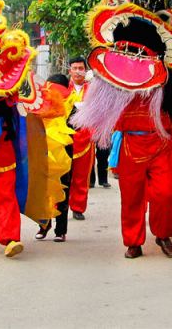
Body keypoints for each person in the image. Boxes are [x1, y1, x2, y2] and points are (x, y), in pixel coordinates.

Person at [34, 74, 75, 242]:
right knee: (44, 190)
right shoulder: (40, 103)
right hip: (43, 150)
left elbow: (76, 125)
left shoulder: (72, 105)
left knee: (61, 189)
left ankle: (60, 229)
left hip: (63, 151)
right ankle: (44, 225)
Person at [66, 56, 95, 220]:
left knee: (82, 175)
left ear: (86, 70)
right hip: (64, 137)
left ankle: (77, 207)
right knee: (62, 174)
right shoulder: (62, 87)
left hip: (85, 137)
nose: (78, 71)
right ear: (69, 70)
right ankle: (59, 206)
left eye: (81, 68)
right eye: (75, 68)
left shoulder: (92, 90)